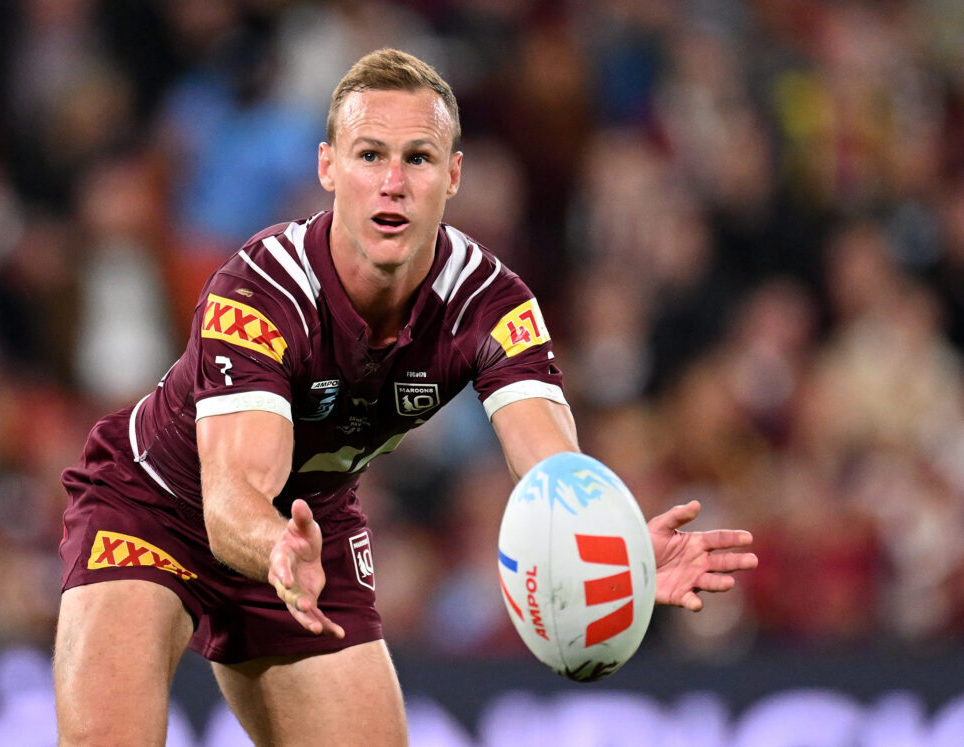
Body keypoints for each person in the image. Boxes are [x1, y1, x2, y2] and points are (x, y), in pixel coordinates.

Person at [54, 48, 758, 746]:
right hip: (155, 507)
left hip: (311, 528)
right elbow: (232, 492)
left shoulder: (492, 303)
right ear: (329, 167)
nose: (392, 182)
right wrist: (274, 543)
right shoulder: (260, 289)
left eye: (418, 158)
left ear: (452, 175)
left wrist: (615, 548)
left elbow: (550, 467)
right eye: (370, 156)